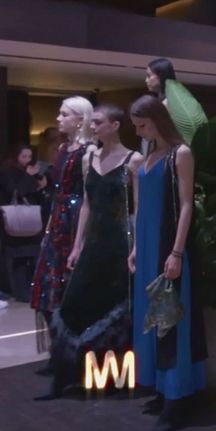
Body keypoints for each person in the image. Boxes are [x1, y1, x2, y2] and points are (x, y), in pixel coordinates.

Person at [35, 104, 143, 400]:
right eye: (92, 122)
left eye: (98, 122)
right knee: (73, 304)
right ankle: (66, 376)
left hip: (120, 241)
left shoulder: (134, 160)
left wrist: (137, 246)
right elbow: (86, 203)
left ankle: (114, 377)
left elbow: (139, 207)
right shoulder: (89, 158)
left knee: (116, 306)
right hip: (94, 240)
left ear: (115, 125)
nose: (92, 127)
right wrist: (77, 244)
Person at [129, 95, 206, 429]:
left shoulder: (181, 153)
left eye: (142, 125)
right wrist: (135, 246)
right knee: (152, 317)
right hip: (147, 247)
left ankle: (177, 395)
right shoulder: (149, 156)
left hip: (167, 245)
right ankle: (162, 389)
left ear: (157, 120)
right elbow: (140, 207)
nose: (139, 132)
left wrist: (176, 252)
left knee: (171, 319)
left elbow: (187, 204)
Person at [30, 96, 94, 366]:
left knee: (69, 289)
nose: (58, 119)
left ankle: (74, 354)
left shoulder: (89, 151)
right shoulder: (63, 149)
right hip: (57, 220)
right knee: (47, 290)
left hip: (74, 221)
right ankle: (60, 351)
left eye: (64, 114)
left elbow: (90, 197)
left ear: (80, 119)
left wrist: (81, 239)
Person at [0, 145, 48, 303]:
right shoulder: (8, 173)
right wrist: (28, 176)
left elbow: (34, 194)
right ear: (16, 157)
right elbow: (16, 191)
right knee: (19, 257)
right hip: (17, 220)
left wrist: (40, 186)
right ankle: (21, 292)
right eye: (24, 156)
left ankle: (31, 289)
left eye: (29, 156)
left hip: (30, 219)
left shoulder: (30, 172)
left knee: (32, 256)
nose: (27, 160)